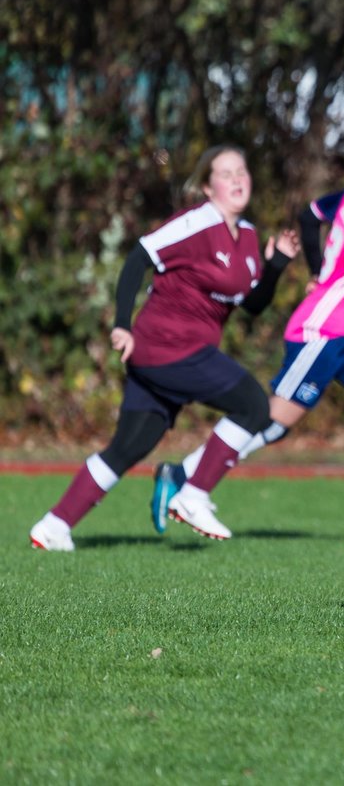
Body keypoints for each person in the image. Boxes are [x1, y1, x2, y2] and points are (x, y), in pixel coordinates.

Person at [152, 143, 344, 534]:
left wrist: (320, 272)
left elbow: (309, 215)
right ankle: (183, 475)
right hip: (321, 333)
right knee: (272, 423)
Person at [29, 145, 297, 551]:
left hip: (177, 353)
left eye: (242, 170)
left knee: (129, 446)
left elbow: (253, 305)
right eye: (226, 173)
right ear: (208, 187)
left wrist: (275, 266)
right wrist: (122, 325)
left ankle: (54, 526)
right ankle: (193, 495)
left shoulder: (249, 237)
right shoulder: (196, 222)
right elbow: (138, 258)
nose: (238, 179)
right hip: (166, 345)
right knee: (254, 407)